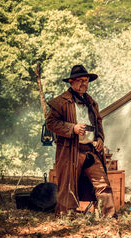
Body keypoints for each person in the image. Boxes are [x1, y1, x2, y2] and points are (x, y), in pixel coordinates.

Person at [46, 65, 115, 218]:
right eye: (80, 80)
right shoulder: (61, 102)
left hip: (91, 150)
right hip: (71, 151)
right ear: (71, 82)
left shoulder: (91, 102)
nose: (84, 84)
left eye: (86, 81)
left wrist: (100, 139)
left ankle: (109, 217)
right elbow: (51, 124)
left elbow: (98, 122)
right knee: (68, 186)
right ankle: (66, 217)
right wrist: (72, 128)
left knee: (102, 184)